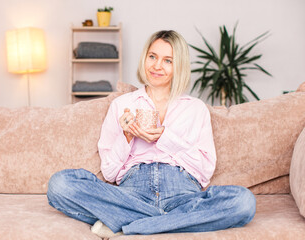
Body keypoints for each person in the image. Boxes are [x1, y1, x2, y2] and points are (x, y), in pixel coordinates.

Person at [47, 30, 256, 237]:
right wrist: (127, 137)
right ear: (145, 58)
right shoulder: (122, 105)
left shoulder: (195, 109)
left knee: (243, 202)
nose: (156, 66)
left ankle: (128, 224)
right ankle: (167, 221)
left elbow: (204, 172)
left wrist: (164, 138)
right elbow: (109, 173)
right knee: (60, 185)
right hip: (131, 194)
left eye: (168, 61)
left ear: (178, 66)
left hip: (182, 195)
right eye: (153, 57)